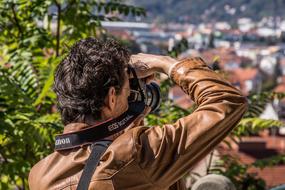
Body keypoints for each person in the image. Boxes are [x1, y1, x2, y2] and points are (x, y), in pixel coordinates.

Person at [28, 37, 247, 190]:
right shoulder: (138, 153)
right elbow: (227, 101)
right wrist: (166, 64)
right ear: (111, 98)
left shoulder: (39, 175)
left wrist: (127, 123)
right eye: (127, 90)